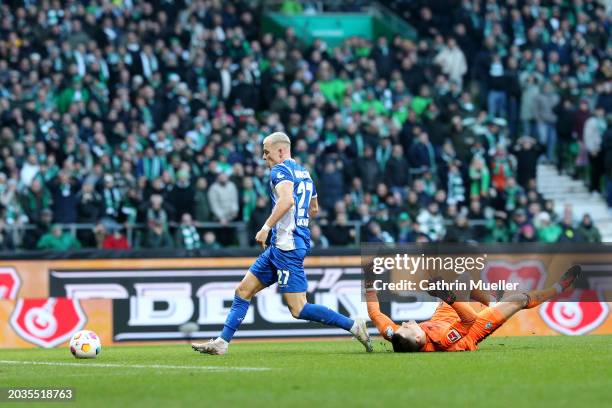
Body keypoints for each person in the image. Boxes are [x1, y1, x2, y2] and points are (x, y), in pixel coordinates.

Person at [192, 132, 371, 355]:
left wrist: (266, 227)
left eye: (266, 152)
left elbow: (286, 200)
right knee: (243, 290)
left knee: (299, 309)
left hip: (288, 247)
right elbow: (314, 209)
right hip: (282, 245)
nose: (264, 158)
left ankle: (354, 325)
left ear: (280, 151)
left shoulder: (280, 170)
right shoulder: (305, 174)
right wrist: (297, 222)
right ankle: (222, 342)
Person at [365, 265, 581, 352]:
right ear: (420, 340)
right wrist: (447, 297)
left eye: (402, 326)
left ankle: (492, 301)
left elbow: (375, 314)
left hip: (443, 317)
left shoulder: (395, 335)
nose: (405, 323)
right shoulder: (442, 339)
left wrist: (369, 284)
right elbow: (469, 320)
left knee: (465, 279)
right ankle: (558, 288)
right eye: (409, 327)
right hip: (470, 330)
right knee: (518, 300)